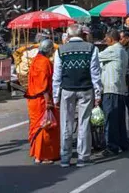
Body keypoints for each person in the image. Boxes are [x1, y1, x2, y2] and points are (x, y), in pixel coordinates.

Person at [53, 24, 102, 168]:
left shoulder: (60, 51)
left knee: (66, 123)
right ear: (82, 35)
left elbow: (57, 76)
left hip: (67, 90)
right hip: (86, 89)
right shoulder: (92, 49)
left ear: (68, 36)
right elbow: (95, 74)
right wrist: (98, 93)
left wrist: (56, 96)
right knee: (84, 123)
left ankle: (65, 157)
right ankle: (83, 156)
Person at [26, 39, 60, 164]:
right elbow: (43, 85)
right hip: (41, 99)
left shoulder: (35, 60)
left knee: (37, 126)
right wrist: (48, 102)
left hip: (33, 99)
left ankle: (37, 154)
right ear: (49, 49)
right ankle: (43, 155)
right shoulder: (44, 62)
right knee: (45, 126)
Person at [98, 28, 129, 157]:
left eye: (106, 38)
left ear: (110, 39)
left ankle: (112, 146)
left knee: (110, 119)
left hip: (111, 89)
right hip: (120, 89)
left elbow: (95, 57)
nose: (105, 41)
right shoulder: (122, 50)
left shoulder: (113, 50)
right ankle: (123, 143)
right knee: (119, 119)